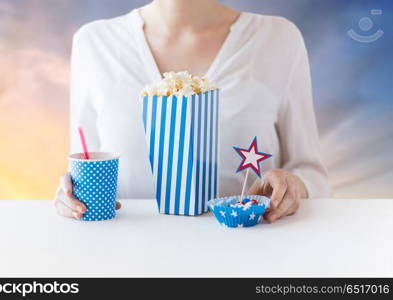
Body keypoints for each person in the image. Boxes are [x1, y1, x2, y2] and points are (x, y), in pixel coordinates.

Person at [54, 0, 331, 223]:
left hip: (246, 257)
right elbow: (82, 164)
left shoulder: (278, 39)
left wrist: (295, 187)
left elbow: (311, 174)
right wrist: (71, 196)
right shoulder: (94, 42)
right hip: (127, 257)